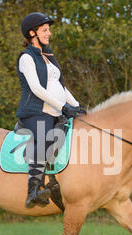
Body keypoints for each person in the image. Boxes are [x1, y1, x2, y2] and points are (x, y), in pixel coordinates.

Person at [16, 12, 86, 208]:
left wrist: (77, 105)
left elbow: (60, 86)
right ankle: (33, 191)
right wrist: (63, 107)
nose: (49, 33)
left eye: (48, 30)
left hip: (54, 110)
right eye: (45, 30)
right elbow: (37, 89)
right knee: (48, 136)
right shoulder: (26, 58)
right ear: (32, 33)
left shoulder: (48, 57)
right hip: (35, 112)